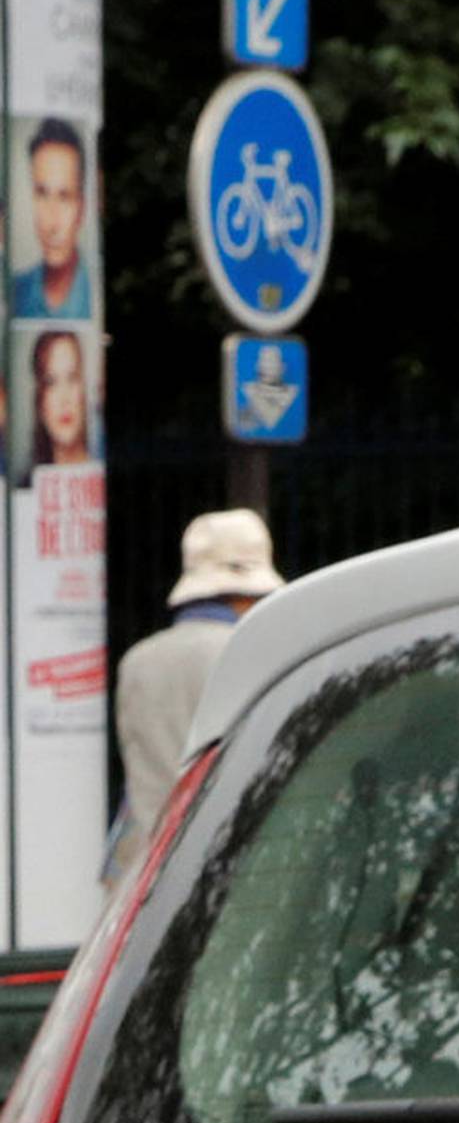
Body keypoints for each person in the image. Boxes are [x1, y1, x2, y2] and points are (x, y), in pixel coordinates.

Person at [109, 510, 285, 874]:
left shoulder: (137, 661)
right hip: (229, 866)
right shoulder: (251, 650)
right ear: (250, 592)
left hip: (149, 872)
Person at [12, 118, 91, 321]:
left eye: (64, 197)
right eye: (42, 193)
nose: (51, 224)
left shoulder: (95, 297)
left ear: (81, 207)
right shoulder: (13, 293)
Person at [28, 329, 88, 470]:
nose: (64, 398)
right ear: (40, 401)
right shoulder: (26, 483)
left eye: (72, 377)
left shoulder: (104, 469)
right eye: (51, 382)